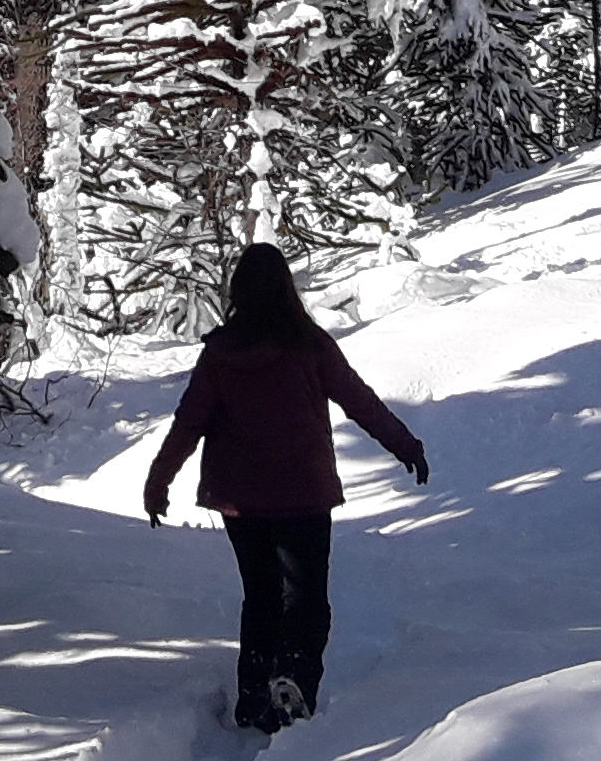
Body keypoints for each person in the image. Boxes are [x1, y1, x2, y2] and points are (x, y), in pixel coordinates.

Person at [140, 243, 429, 734]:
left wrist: (158, 480)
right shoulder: (310, 345)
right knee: (307, 598)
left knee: (261, 596)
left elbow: (189, 423)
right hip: (304, 494)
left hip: (240, 500)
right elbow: (360, 402)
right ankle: (293, 677)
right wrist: (406, 445)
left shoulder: (221, 353)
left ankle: (254, 696)